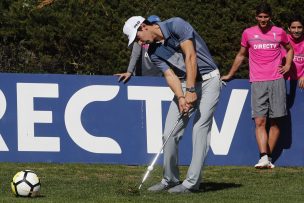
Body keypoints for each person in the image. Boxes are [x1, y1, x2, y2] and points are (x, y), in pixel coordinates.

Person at [123, 16, 222, 193]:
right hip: (184, 84)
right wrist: (182, 97)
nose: (139, 42)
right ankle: (170, 179)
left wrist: (191, 90)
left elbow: (190, 56)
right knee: (169, 132)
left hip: (209, 81)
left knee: (200, 129)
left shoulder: (176, 25)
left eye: (137, 37)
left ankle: (191, 183)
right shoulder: (153, 52)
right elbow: (170, 76)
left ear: (144, 26)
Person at [221, 2, 294, 169]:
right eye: (260, 17)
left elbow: (290, 49)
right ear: (256, 17)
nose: (263, 20)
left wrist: (288, 65)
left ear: (270, 17)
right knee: (260, 120)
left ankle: (267, 158)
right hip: (257, 81)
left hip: (277, 80)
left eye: (266, 17)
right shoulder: (248, 33)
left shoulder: (279, 32)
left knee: (275, 122)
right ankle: (263, 157)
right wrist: (231, 74)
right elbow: (241, 56)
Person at [116, 15, 163, 83]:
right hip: (140, 77)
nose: (155, 26)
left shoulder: (162, 40)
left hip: (158, 77)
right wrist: (129, 72)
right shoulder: (140, 40)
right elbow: (135, 55)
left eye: (157, 24)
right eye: (152, 24)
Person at [283, 14, 304, 89]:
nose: (296, 30)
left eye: (299, 27)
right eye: (293, 27)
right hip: (284, 82)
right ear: (289, 28)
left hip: (301, 83)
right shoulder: (283, 40)